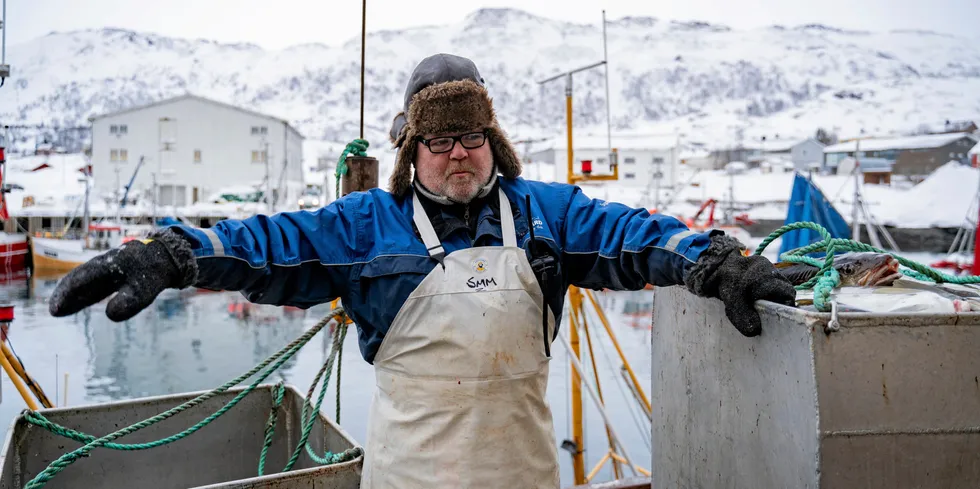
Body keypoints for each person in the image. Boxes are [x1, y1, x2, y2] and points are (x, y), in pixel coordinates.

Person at [49, 53, 796, 488]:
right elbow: (267, 245)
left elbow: (634, 237)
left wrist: (715, 260)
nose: (457, 152)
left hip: (524, 476)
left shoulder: (548, 215)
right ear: (413, 148)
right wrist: (175, 252)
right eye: (439, 139)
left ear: (492, 141)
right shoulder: (364, 225)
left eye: (471, 134)